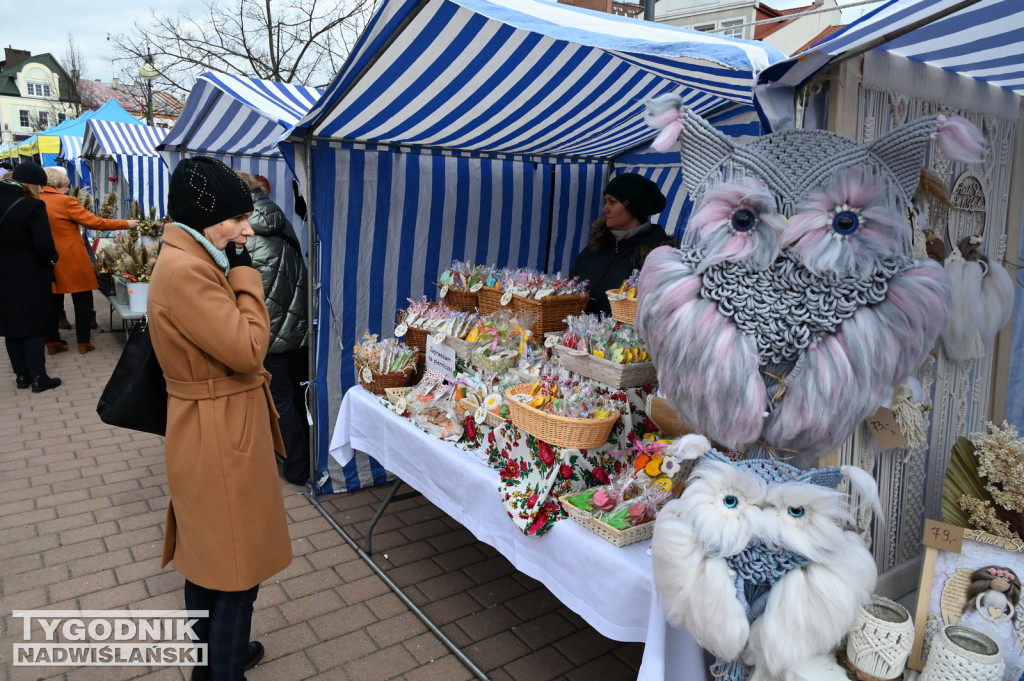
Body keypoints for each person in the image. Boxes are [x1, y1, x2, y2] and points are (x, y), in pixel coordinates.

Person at [148, 156, 291, 681]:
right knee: (235, 569)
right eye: (237, 218)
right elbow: (251, 348)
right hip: (218, 430)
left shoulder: (190, 256)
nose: (247, 228)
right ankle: (221, 671)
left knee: (212, 558)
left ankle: (209, 664)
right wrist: (247, 274)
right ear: (206, 217)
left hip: (210, 424)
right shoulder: (190, 269)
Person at [236, 171, 310, 486]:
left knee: (280, 401)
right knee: (299, 395)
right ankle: (310, 459)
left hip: (268, 333)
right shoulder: (281, 220)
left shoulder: (240, 235)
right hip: (300, 328)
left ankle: (296, 468)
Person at [39, 168, 138, 354]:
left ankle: (52, 343)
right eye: (66, 187)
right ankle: (83, 342)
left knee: (51, 301)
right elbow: (95, 222)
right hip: (71, 257)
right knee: (83, 299)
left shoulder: (36, 200)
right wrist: (126, 223)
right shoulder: (65, 201)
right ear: (58, 185)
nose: (68, 190)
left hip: (47, 259)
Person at [568, 173, 676, 315]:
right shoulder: (597, 245)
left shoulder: (657, 256)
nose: (605, 209)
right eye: (605, 201)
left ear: (634, 207)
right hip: (577, 333)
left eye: (612, 202)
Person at [0, 161, 61, 392]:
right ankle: (38, 377)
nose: (42, 191)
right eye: (40, 187)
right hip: (30, 273)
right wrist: (52, 260)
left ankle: (21, 376)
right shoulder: (32, 205)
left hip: (3, 274)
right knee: (34, 324)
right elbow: (44, 244)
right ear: (31, 184)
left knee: (11, 324)